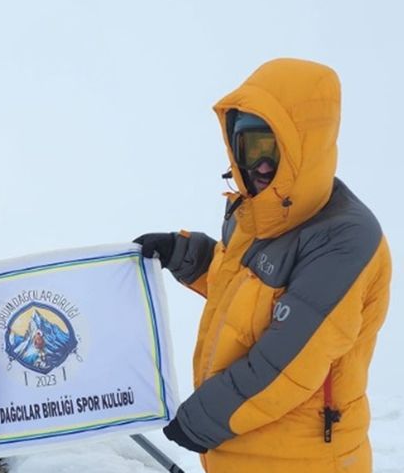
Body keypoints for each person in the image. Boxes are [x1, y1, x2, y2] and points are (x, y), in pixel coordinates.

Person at [134, 58, 391, 473]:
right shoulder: (259, 215)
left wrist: (202, 420)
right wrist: (185, 255)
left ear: (308, 145)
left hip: (307, 462)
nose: (260, 166)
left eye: (272, 148)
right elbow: (243, 291)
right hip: (241, 454)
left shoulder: (345, 240)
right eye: (249, 148)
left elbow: (286, 363)